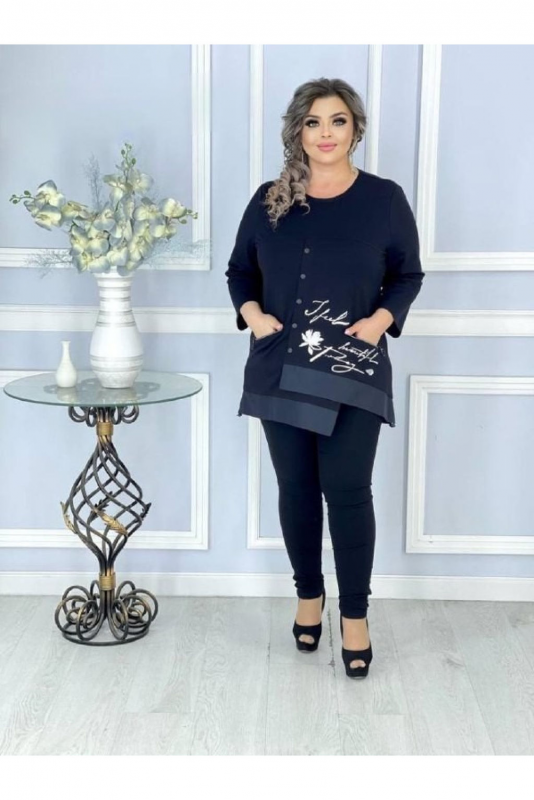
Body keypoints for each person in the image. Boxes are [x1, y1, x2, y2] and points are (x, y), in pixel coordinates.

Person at [225, 78, 424, 679]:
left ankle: (355, 614)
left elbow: (408, 274)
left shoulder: (384, 199)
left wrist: (381, 320)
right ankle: (308, 596)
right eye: (313, 122)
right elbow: (239, 272)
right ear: (298, 132)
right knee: (296, 489)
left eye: (338, 121)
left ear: (355, 129)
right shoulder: (269, 199)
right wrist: (253, 314)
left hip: (352, 367)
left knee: (348, 491)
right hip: (279, 365)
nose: (326, 133)